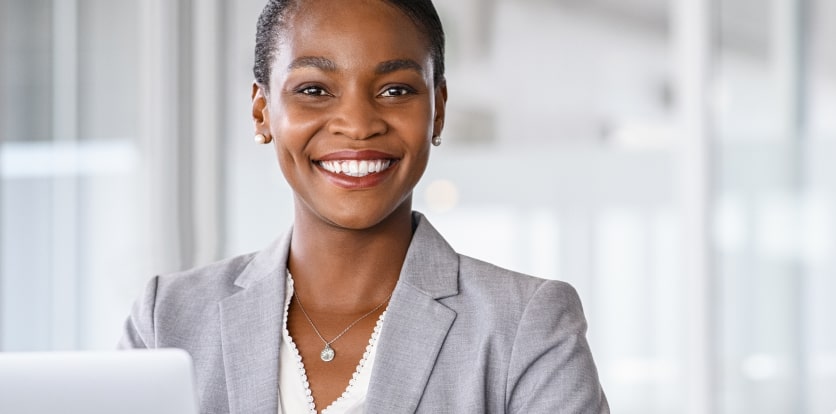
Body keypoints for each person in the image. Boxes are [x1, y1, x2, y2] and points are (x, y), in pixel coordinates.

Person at [119, 0, 609, 412]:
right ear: (262, 111)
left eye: (395, 90)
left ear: (437, 110)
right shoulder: (168, 320)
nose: (357, 124)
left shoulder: (526, 326)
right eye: (313, 90)